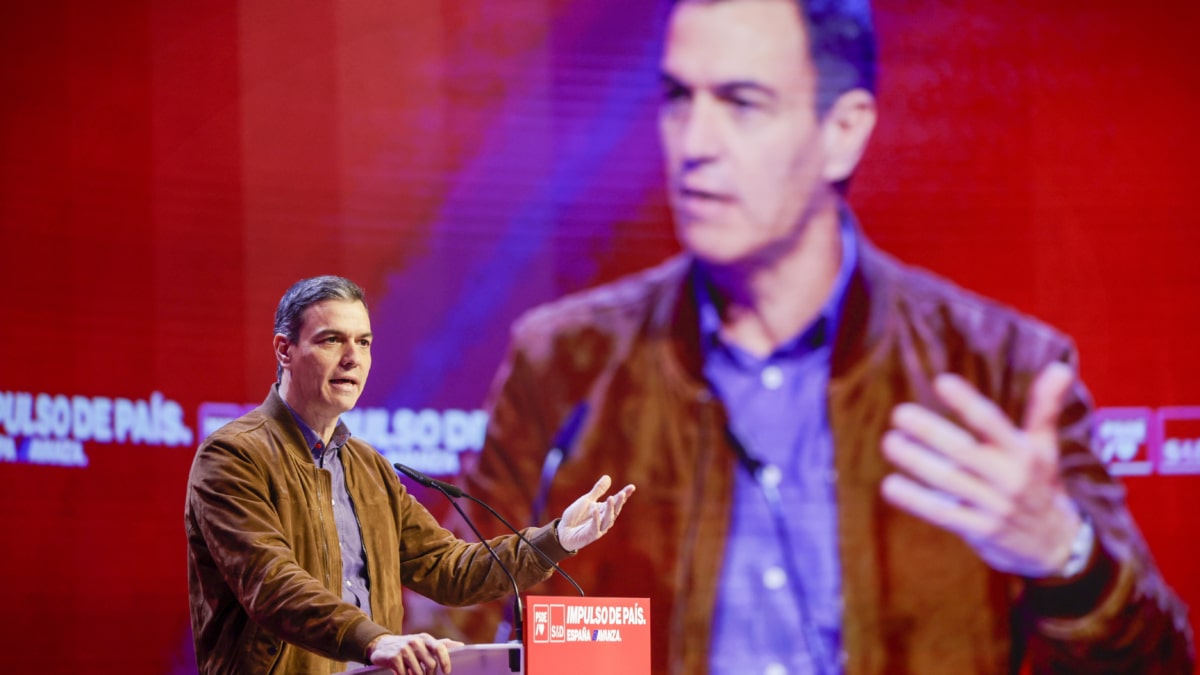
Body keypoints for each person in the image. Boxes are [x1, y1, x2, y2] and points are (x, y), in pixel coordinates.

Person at [450, 0, 1195, 673]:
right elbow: (449, 623)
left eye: (742, 102)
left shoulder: (1003, 372)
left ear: (842, 133)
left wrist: (1066, 557)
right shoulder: (565, 361)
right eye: (679, 99)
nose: (693, 143)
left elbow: (1160, 664)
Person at [184, 275, 635, 675]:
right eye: (331, 341)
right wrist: (376, 641)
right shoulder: (233, 456)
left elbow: (448, 569)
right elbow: (272, 585)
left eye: (363, 342)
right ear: (285, 349)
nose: (352, 358)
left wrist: (557, 539)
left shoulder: (368, 467)